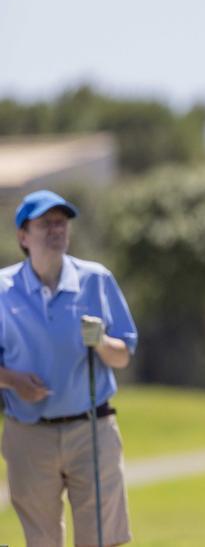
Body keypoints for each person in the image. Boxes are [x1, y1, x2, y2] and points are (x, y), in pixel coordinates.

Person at [0, 189, 137, 546]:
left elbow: (123, 354)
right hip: (28, 433)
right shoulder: (2, 290)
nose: (56, 229)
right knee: (42, 540)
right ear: (23, 236)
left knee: (102, 538)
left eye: (61, 222)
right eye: (45, 223)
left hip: (92, 428)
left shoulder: (96, 280)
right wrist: (13, 381)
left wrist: (103, 343)